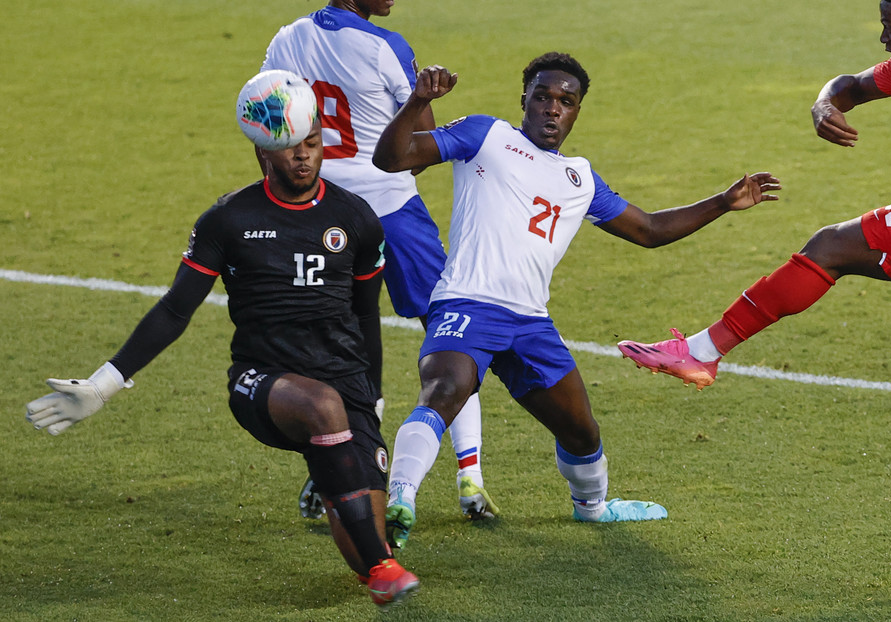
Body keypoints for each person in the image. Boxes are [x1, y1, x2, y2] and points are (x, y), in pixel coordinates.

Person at [617, 0, 891, 611]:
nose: (882, 33)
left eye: (889, 21)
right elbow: (847, 85)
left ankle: (704, 351)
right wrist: (824, 105)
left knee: (831, 246)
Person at [372, 51, 780, 549]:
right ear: (524, 99)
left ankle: (593, 508)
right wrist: (417, 101)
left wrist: (722, 202)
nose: (552, 108)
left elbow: (649, 230)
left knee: (582, 432)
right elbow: (391, 159)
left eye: (566, 101)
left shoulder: (580, 179)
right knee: (444, 391)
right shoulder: (485, 136)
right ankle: (400, 500)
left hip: (530, 324)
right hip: (467, 304)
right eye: (542, 96)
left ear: (577, 110)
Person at [24, 105, 418, 610]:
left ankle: (352, 514)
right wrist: (103, 384)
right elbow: (175, 310)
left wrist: (376, 398)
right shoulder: (229, 219)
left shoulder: (356, 217)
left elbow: (366, 316)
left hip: (346, 384)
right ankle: (383, 565)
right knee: (323, 409)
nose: (304, 155)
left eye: (313, 142)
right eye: (290, 145)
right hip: (263, 381)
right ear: (262, 151)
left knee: (365, 542)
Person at [260, 0, 496, 521]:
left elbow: (268, 121)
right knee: (451, 331)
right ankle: (471, 479)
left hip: (322, 216)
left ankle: (332, 476)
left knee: (340, 348)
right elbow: (417, 143)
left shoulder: (284, 41)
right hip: (393, 210)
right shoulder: (386, 46)